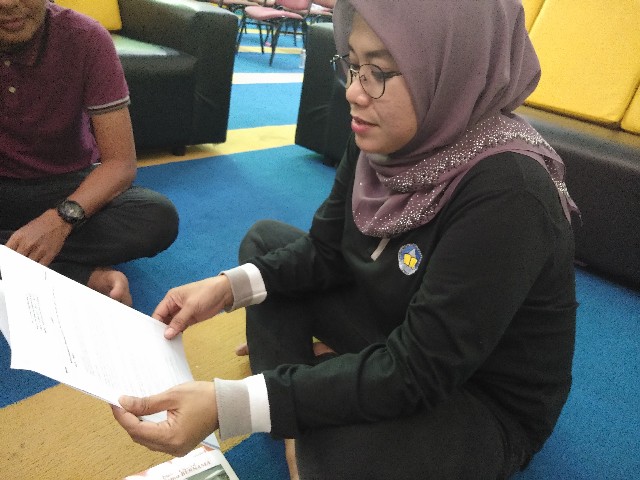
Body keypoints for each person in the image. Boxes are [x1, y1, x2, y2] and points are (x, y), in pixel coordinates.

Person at [112, 0, 579, 478]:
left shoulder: (509, 192)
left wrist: (232, 405)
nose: (354, 91)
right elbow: (325, 251)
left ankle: (301, 404)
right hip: (395, 324)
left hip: (471, 390)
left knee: (350, 448)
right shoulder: (387, 135)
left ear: (449, 67)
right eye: (353, 65)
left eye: (378, 71)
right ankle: (306, 408)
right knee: (264, 246)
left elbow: (419, 371)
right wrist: (225, 288)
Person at [0, 0, 179, 305]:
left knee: (156, 217)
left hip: (66, 186)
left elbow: (120, 164)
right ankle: (80, 276)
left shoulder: (86, 38)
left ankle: (14, 255)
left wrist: (59, 221)